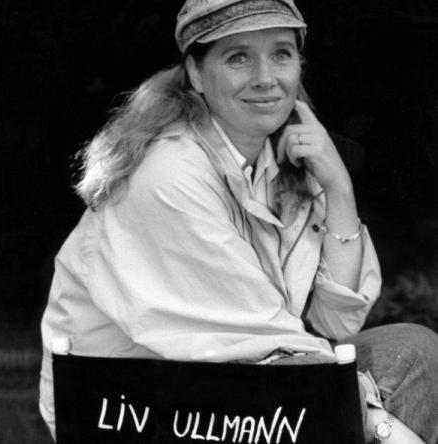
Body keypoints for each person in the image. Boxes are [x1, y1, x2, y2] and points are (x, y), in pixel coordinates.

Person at [39, 0, 438, 442]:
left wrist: (337, 186)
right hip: (136, 407)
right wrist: (383, 426)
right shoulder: (169, 173)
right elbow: (259, 345)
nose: (266, 77)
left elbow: (332, 323)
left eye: (281, 53)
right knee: (340, 397)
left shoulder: (278, 161)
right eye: (238, 57)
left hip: (233, 383)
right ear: (196, 74)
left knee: (413, 350)